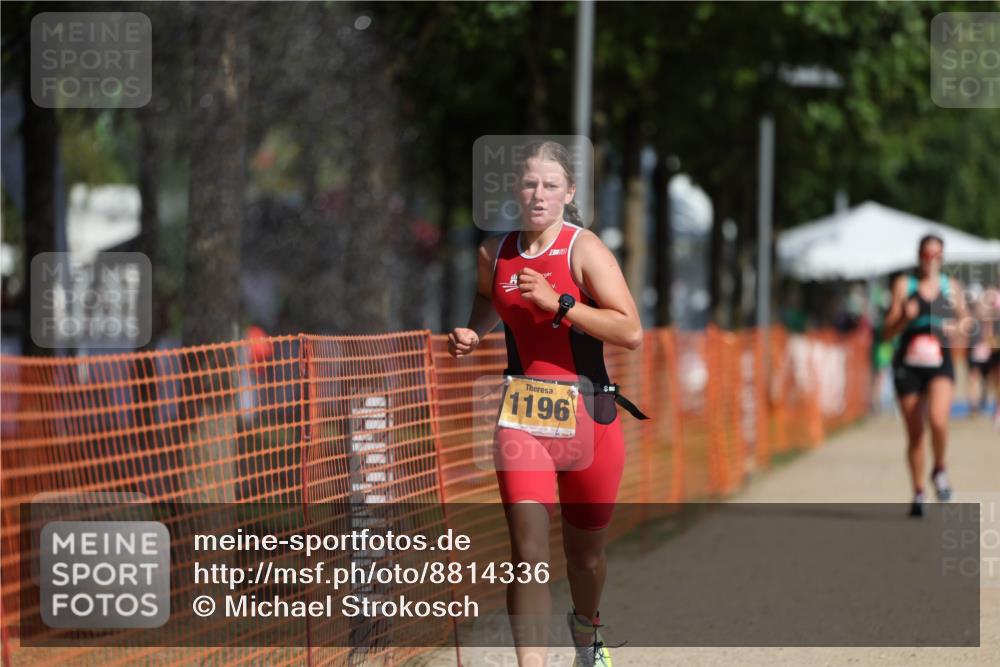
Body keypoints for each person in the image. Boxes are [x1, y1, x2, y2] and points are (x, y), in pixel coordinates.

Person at [448, 141, 646, 667]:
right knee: (528, 556)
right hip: (523, 418)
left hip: (591, 415)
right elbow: (492, 298)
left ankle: (586, 632)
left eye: (551, 185)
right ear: (515, 188)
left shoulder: (585, 251)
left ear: (569, 193)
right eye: (530, 183)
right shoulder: (495, 251)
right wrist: (474, 330)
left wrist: (561, 304)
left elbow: (630, 331)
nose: (539, 194)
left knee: (585, 558)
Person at [882, 235, 968, 517]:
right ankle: (919, 491)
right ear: (918, 255)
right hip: (909, 363)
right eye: (927, 254)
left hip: (939, 360)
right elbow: (887, 332)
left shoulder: (950, 286)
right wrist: (905, 317)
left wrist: (954, 327)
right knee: (916, 433)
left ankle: (939, 469)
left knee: (939, 420)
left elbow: (967, 324)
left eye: (937, 255)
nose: (931, 260)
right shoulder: (904, 285)